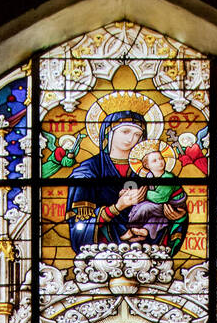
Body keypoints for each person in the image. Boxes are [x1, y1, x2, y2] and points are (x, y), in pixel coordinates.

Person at [65, 104, 151, 252]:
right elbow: (79, 227)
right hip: (99, 256)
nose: (131, 138)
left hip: (143, 252)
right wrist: (118, 207)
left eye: (138, 134)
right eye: (125, 131)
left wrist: (175, 213)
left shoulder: (149, 171)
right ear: (108, 133)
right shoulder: (86, 173)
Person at [122, 139, 188, 254]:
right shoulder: (149, 176)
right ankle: (144, 232)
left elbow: (160, 198)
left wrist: (142, 193)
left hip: (173, 205)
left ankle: (132, 229)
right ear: (147, 165)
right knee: (141, 207)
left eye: (161, 158)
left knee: (146, 208)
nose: (160, 162)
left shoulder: (168, 177)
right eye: (155, 161)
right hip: (161, 205)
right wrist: (132, 193)